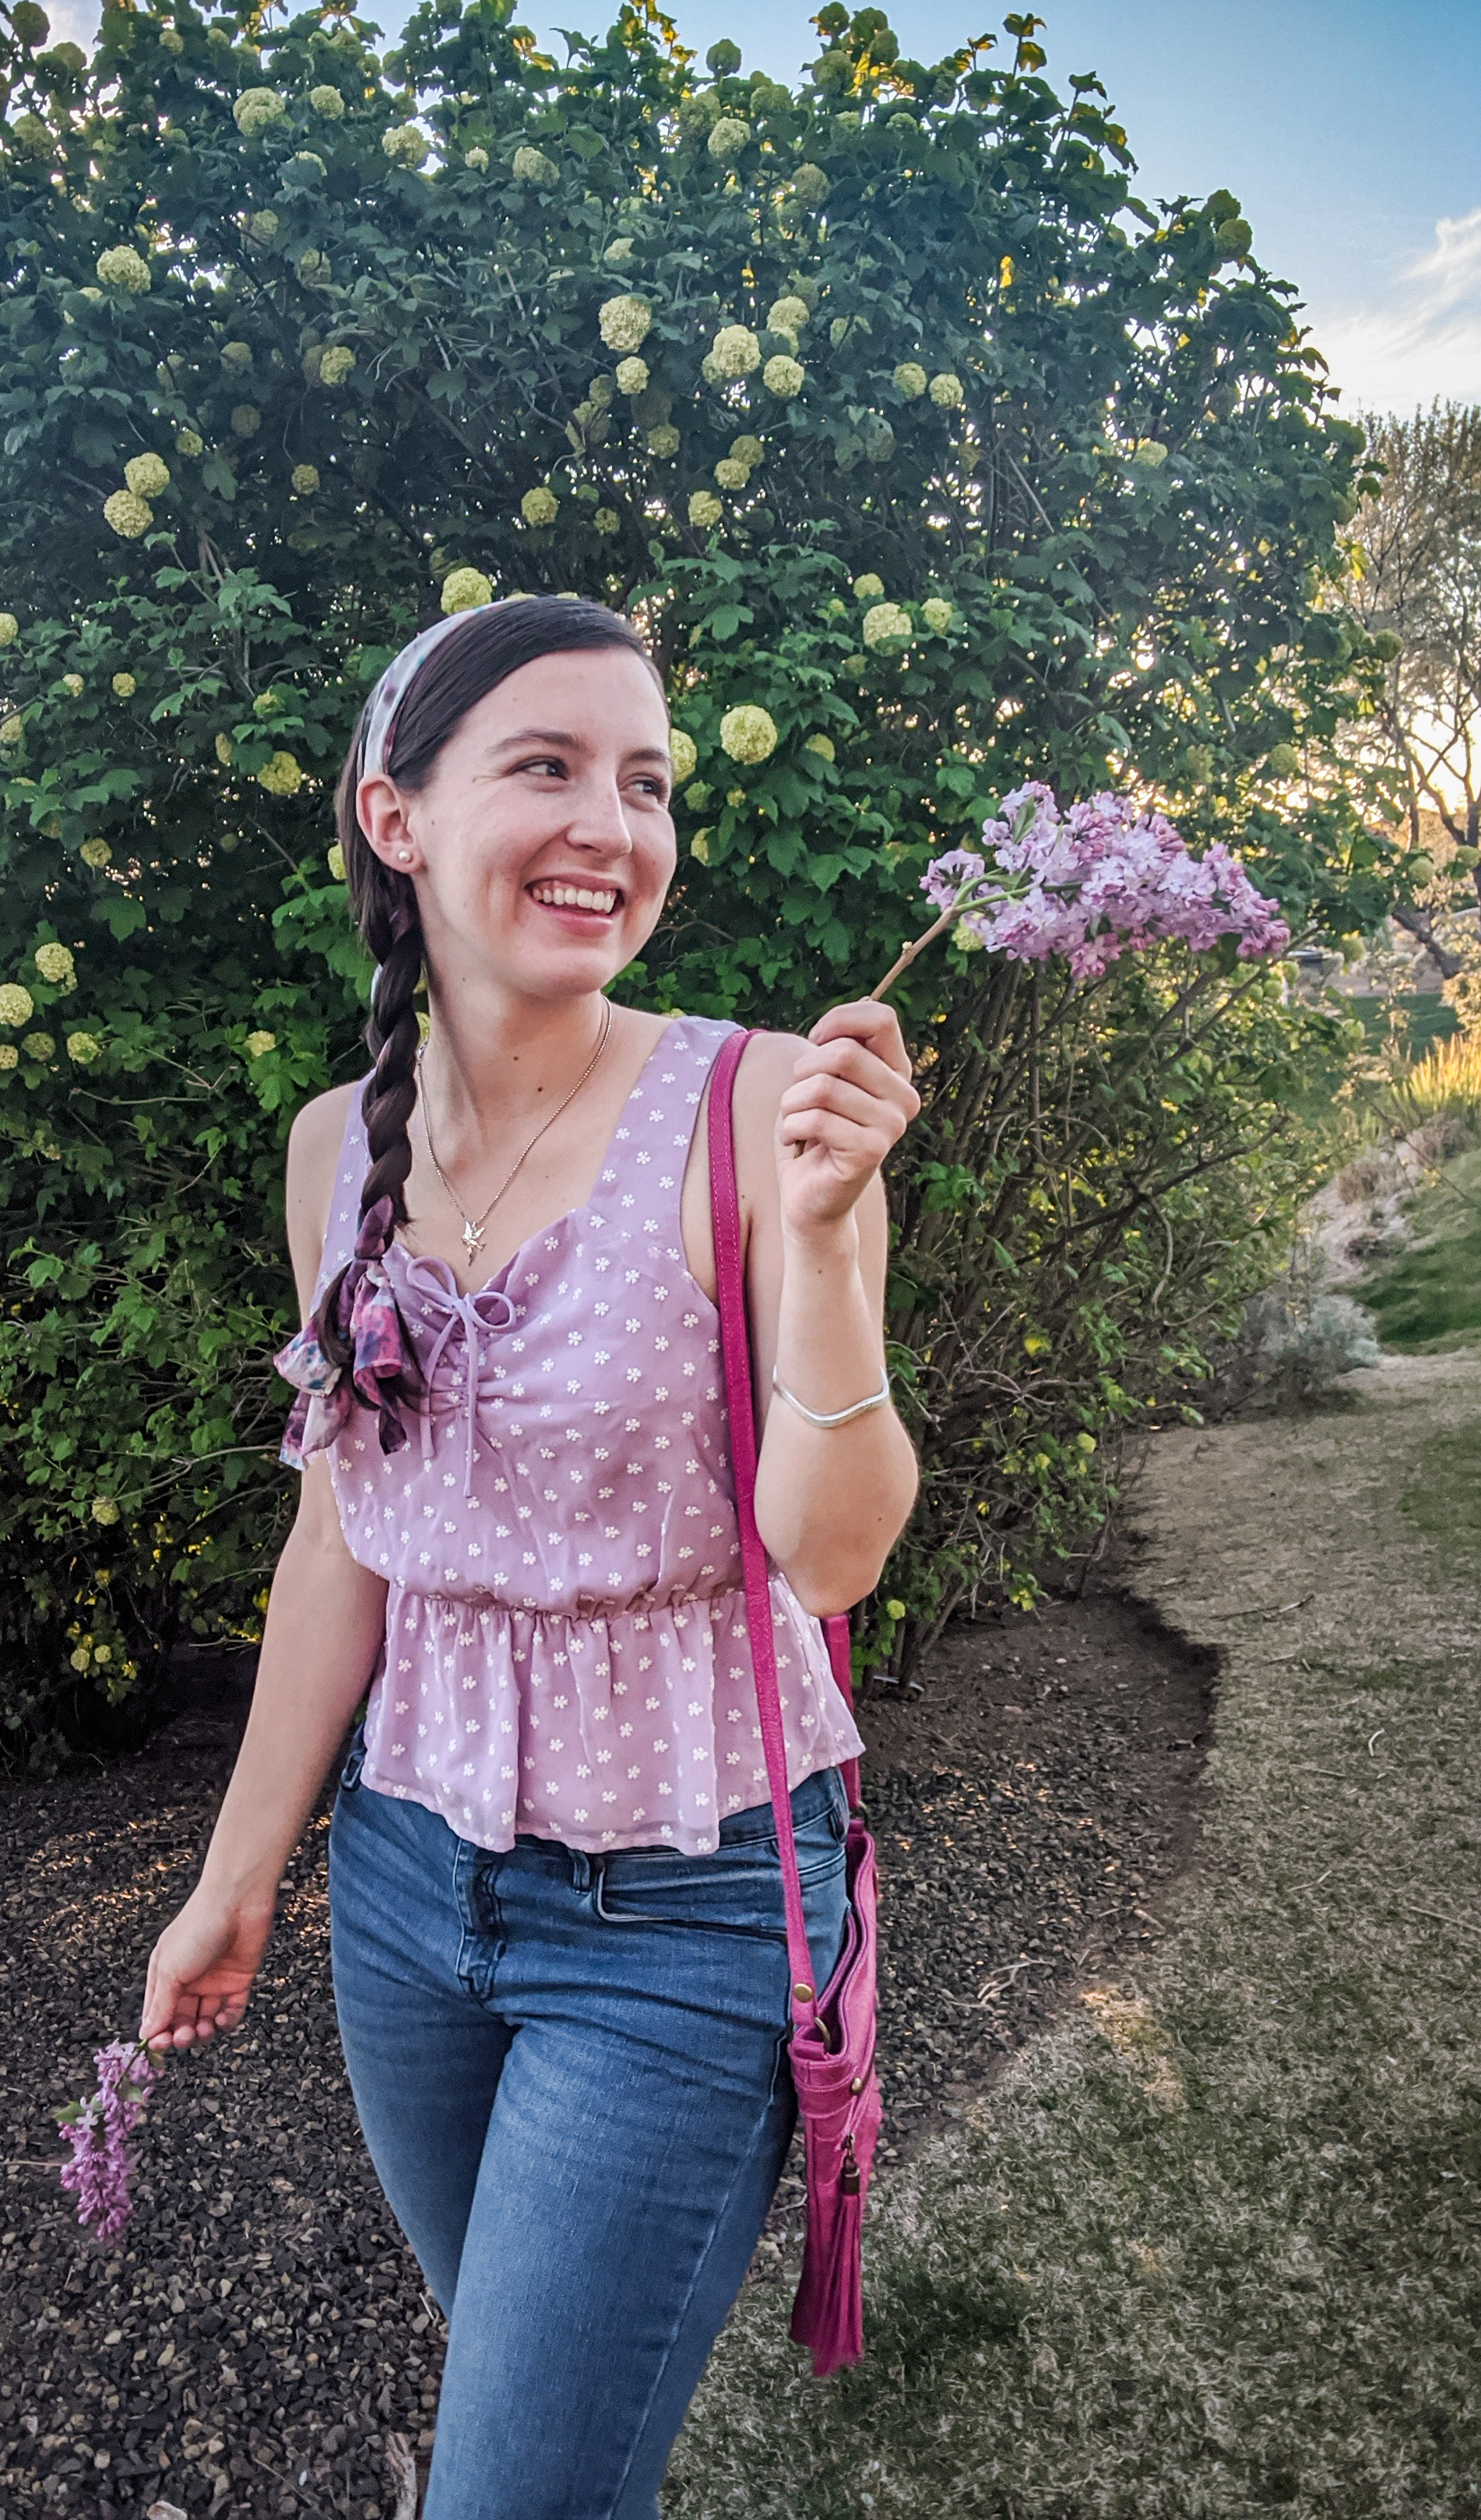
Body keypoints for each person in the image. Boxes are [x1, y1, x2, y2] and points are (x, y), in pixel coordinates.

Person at [139, 593, 920, 2516]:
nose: (615, 825)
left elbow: (831, 1562)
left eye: (644, 783)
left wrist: (819, 1254)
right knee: (545, 2442)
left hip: (691, 1906)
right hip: (407, 1892)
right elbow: (343, 1542)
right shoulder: (341, 1147)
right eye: (547, 768)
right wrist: (242, 1877)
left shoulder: (755, 1114)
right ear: (395, 819)